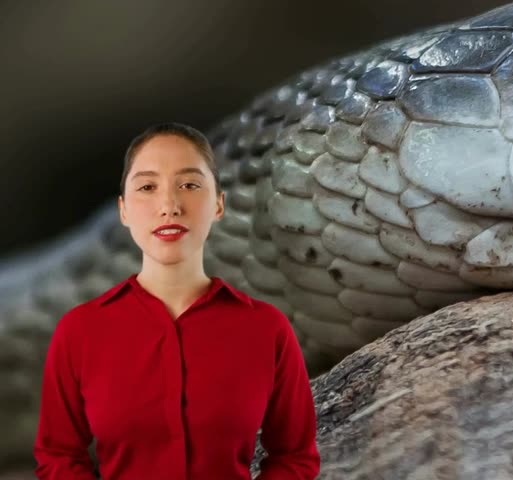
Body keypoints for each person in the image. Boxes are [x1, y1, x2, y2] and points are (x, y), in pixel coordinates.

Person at [33, 122, 321, 479]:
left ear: (219, 204)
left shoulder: (267, 327)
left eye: (189, 185)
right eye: (147, 187)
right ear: (123, 210)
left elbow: (296, 457)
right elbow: (57, 456)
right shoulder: (80, 330)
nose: (169, 205)